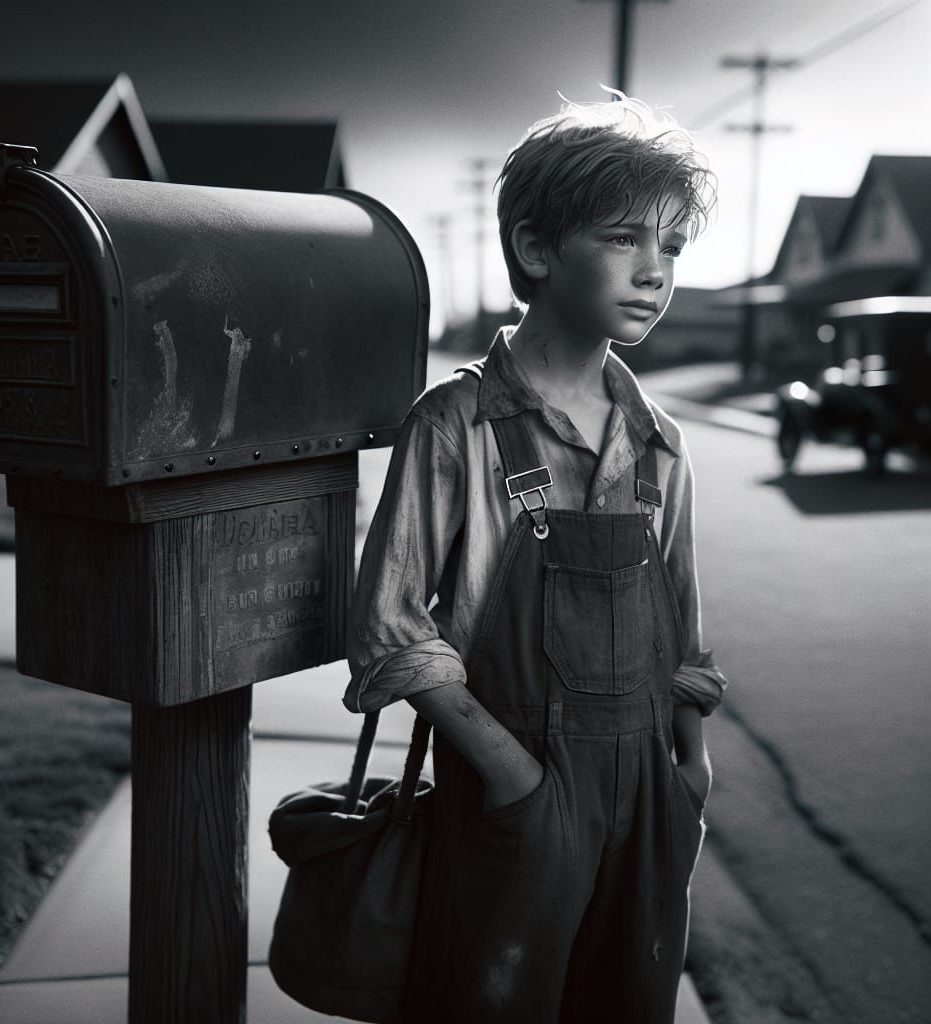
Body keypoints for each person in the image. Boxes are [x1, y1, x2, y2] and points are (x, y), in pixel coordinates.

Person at [344, 92, 728, 1023]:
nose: (655, 272)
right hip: (513, 796)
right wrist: (513, 779)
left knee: (628, 1000)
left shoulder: (660, 443)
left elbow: (684, 637)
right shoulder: (457, 424)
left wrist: (691, 769)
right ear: (536, 248)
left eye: (671, 247)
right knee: (495, 1000)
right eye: (625, 239)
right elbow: (392, 629)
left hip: (650, 794)